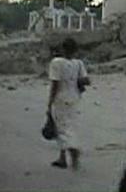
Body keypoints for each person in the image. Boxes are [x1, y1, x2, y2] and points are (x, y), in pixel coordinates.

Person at [47, 37, 90, 169]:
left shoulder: (56, 62)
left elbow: (55, 84)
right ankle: (62, 158)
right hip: (74, 97)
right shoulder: (79, 63)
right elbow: (86, 80)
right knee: (69, 125)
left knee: (61, 128)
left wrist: (50, 102)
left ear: (62, 48)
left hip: (61, 98)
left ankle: (73, 149)